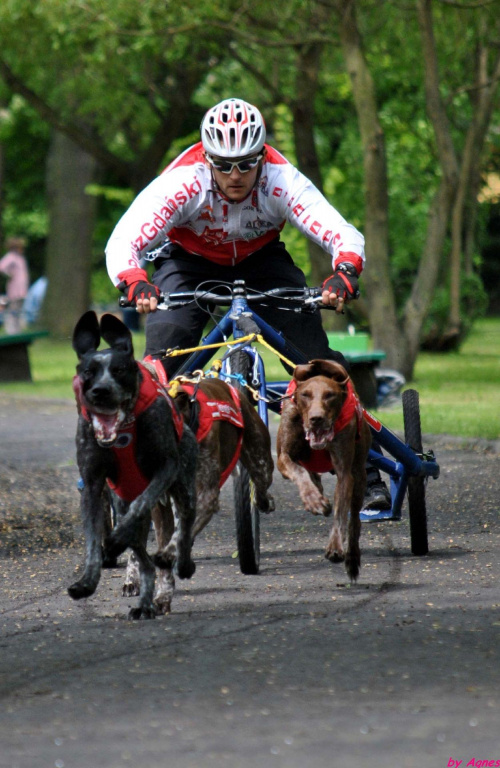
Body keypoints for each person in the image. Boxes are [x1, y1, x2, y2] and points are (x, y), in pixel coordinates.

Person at [105, 98, 391, 510]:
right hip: (188, 264)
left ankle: (367, 474)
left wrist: (344, 271)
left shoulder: (280, 178)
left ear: (262, 156)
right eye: (223, 164)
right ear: (207, 157)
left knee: (319, 361)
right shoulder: (183, 181)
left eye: (246, 163)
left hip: (263, 262)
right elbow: (125, 240)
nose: (235, 175)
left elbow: (338, 231)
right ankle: (137, 471)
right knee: (162, 363)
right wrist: (135, 280)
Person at [0, 236, 29, 335]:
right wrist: (9, 274)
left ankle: (18, 330)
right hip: (14, 290)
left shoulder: (20, 259)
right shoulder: (11, 257)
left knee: (19, 310)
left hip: (21, 291)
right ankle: (12, 330)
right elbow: (2, 266)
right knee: (13, 310)